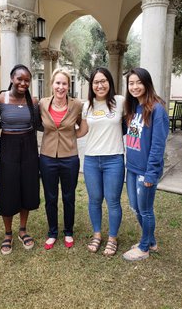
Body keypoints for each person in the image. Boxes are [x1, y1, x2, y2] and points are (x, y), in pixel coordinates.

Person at [76, 67, 125, 256]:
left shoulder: (120, 102)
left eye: (103, 81)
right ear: (92, 85)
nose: (100, 85)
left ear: (110, 82)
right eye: (96, 82)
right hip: (91, 160)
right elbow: (82, 131)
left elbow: (132, 120)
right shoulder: (87, 105)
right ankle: (97, 234)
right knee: (94, 200)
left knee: (113, 201)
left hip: (114, 159)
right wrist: (61, 131)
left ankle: (112, 238)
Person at [122, 67, 169, 261]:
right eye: (131, 83)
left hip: (146, 171)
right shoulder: (133, 108)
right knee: (135, 207)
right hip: (131, 167)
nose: (134, 87)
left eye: (138, 82)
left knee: (146, 210)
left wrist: (151, 174)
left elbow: (158, 145)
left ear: (147, 83)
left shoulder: (157, 109)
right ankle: (150, 240)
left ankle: (144, 247)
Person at [0, 64, 40, 255]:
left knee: (27, 186)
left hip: (28, 146)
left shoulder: (33, 101)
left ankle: (22, 230)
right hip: (8, 147)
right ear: (12, 78)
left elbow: (38, 124)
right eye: (19, 79)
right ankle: (7, 233)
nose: (23, 83)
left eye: (27, 80)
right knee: (8, 187)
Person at [39, 68, 82, 250]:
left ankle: (69, 231)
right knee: (50, 197)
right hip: (47, 157)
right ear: (52, 84)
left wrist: (71, 138)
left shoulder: (77, 105)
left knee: (68, 196)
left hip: (69, 158)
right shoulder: (42, 104)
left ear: (68, 86)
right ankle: (52, 232)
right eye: (58, 83)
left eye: (64, 83)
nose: (61, 87)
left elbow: (83, 127)